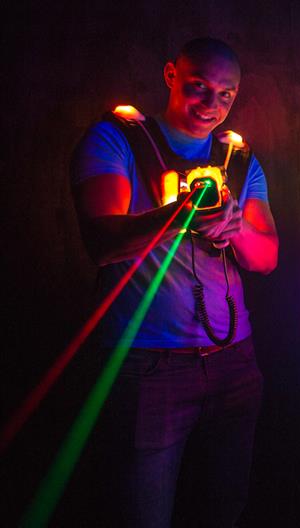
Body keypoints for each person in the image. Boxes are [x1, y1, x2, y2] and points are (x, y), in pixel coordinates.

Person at [70, 37, 278, 526]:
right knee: (142, 512)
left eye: (226, 95)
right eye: (199, 87)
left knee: (223, 507)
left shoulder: (240, 160)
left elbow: (266, 258)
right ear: (170, 75)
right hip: (148, 364)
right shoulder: (117, 139)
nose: (211, 105)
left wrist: (234, 227)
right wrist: (177, 216)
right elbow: (102, 242)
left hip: (233, 361)